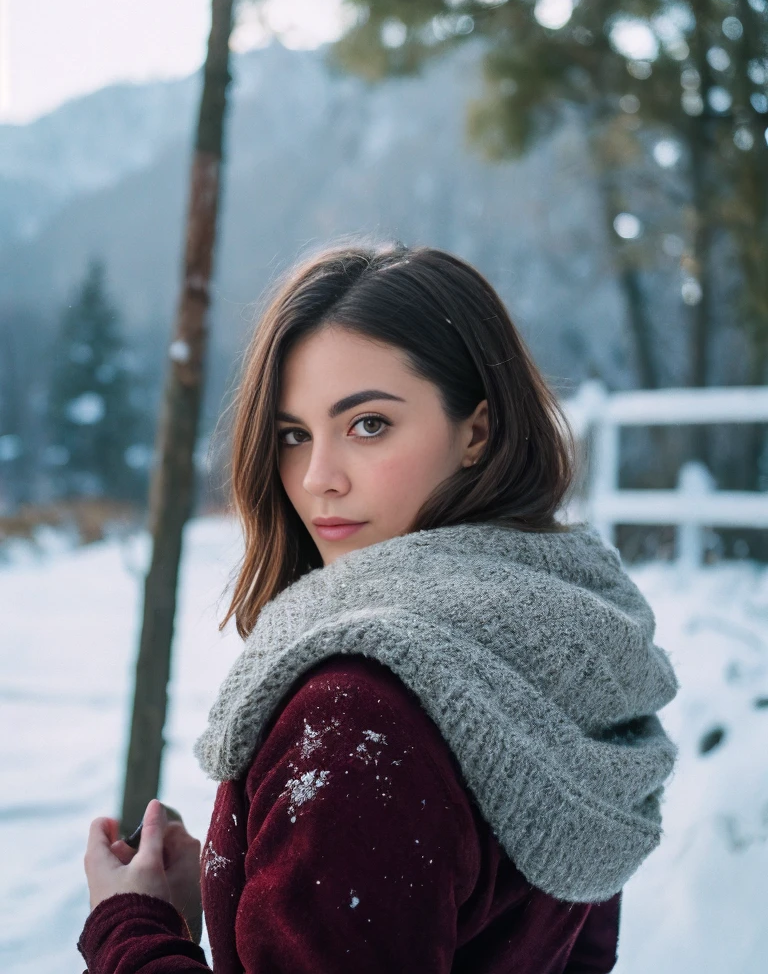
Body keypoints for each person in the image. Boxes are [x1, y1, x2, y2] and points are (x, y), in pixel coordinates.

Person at [80, 242, 679, 973]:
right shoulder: (558, 646)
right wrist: (264, 878)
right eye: (293, 435)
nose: (318, 478)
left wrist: (131, 933)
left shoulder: (356, 718)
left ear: (478, 432)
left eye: (368, 424)